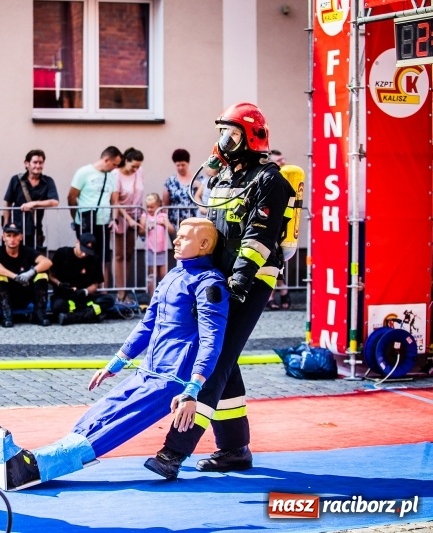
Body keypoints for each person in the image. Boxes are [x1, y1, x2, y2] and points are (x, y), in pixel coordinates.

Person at [0, 218, 229, 490]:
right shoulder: (174, 275)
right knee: (99, 413)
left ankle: (39, 467)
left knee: (115, 424)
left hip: (172, 378)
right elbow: (147, 324)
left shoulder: (210, 284)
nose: (175, 241)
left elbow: (212, 341)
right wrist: (116, 363)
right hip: (149, 369)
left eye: (183, 237)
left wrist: (192, 389)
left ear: (205, 244)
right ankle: (38, 459)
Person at [144, 102, 294, 481]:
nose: (223, 141)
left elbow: (259, 238)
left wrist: (241, 280)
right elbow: (212, 232)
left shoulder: (270, 180)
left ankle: (173, 453)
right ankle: (233, 449)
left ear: (251, 137)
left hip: (251, 280)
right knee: (226, 362)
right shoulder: (223, 179)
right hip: (217, 279)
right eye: (221, 133)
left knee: (215, 362)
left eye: (231, 133)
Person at [67, 146, 123, 281]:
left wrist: (114, 219)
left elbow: (114, 201)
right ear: (106, 160)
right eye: (114, 164)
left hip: (103, 222)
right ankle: (84, 289)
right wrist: (76, 217)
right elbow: (71, 196)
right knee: (84, 255)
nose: (115, 168)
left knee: (103, 258)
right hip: (86, 221)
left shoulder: (111, 176)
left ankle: (102, 291)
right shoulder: (84, 172)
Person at [0, 222, 53, 328]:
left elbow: (47, 262)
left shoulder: (27, 251)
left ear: (21, 237)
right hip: (3, 297)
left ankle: (39, 313)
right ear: (3, 237)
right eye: (8, 236)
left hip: (23, 294)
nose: (12, 239)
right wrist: (14, 276)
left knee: (42, 273)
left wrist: (31, 272)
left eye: (15, 235)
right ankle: (7, 316)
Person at [49, 233, 116, 326]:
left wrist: (85, 291)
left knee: (108, 300)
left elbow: (95, 284)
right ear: (77, 242)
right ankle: (89, 315)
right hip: (65, 296)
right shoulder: (62, 254)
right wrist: (60, 284)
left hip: (84, 297)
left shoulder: (94, 259)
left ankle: (71, 317)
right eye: (82, 250)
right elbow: (51, 275)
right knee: (58, 306)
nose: (84, 254)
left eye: (88, 252)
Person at [2, 149, 59, 251]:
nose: (38, 166)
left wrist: (33, 204)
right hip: (15, 229)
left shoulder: (48, 181)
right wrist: (4, 227)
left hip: (35, 229)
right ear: (27, 164)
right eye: (35, 162)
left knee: (33, 259)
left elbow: (55, 202)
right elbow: (7, 203)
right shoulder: (16, 179)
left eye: (40, 163)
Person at [111, 147, 144, 304]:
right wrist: (127, 219)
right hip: (121, 216)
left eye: (138, 166)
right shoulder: (116, 174)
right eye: (133, 166)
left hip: (135, 217)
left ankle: (126, 292)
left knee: (129, 254)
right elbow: (115, 201)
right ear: (126, 161)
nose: (136, 169)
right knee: (119, 255)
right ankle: (120, 293)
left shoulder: (139, 171)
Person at [266, 149, 290, 310]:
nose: (282, 162)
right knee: (273, 262)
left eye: (283, 159)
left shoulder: (289, 176)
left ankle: (280, 292)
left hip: (285, 226)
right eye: (279, 160)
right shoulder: (270, 178)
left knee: (278, 262)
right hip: (271, 227)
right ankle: (279, 293)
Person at [162, 148, 204, 238]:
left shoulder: (199, 179)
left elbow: (204, 198)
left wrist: (200, 187)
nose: (180, 167)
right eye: (178, 165)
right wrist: (166, 221)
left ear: (188, 164)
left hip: (194, 223)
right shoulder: (170, 181)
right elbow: (165, 203)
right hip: (176, 223)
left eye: (183, 165)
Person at [138, 193, 171, 296]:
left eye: (152, 207)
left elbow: (171, 230)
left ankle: (164, 295)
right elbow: (140, 231)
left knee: (163, 274)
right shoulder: (144, 216)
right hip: (151, 249)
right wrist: (148, 227)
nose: (149, 209)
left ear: (158, 205)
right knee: (152, 274)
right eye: (147, 207)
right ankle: (152, 297)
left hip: (162, 249)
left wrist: (165, 224)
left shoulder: (163, 216)